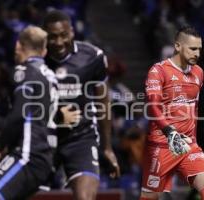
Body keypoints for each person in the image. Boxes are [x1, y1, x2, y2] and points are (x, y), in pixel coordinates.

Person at [0, 25, 79, 200]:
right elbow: (42, 115)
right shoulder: (50, 76)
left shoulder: (25, 71)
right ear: (44, 51)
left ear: (17, 46)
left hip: (27, 156)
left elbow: (18, 114)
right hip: (44, 158)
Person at [43, 10, 120, 200]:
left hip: (81, 138)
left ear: (72, 32)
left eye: (64, 35)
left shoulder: (93, 57)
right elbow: (22, 107)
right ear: (44, 37)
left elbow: (103, 103)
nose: (59, 42)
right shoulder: (34, 60)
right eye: (53, 37)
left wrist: (108, 147)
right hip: (43, 140)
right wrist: (56, 116)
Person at [140, 26, 204, 200]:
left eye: (199, 49)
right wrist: (170, 133)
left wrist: (193, 140)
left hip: (188, 145)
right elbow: (153, 107)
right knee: (150, 198)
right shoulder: (158, 70)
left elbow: (194, 108)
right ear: (177, 46)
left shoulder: (198, 72)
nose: (197, 53)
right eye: (192, 48)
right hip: (162, 145)